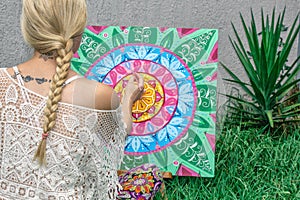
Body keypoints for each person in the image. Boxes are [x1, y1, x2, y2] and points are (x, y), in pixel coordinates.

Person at [0, 0, 162, 199]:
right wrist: (128, 98)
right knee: (149, 176)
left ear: (28, 28)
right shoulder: (99, 94)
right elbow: (118, 136)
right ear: (77, 34)